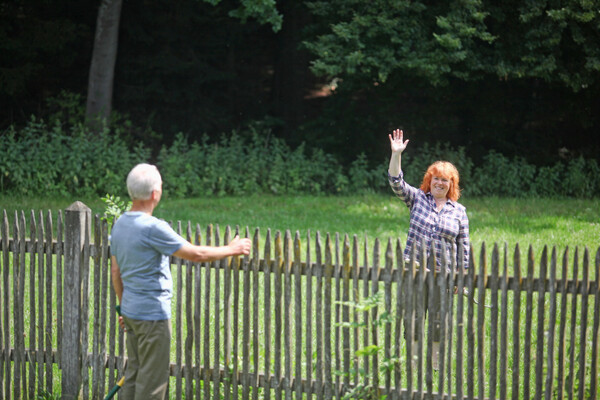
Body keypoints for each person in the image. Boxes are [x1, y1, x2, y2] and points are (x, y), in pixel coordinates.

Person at [110, 163, 252, 400]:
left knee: (133, 377)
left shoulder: (120, 224)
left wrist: (123, 307)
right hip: (152, 316)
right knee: (152, 384)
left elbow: (116, 271)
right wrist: (231, 248)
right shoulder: (153, 228)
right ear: (155, 194)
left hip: (131, 314)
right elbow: (196, 254)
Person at [387, 128, 470, 369]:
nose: (440, 183)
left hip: (443, 275)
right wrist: (396, 154)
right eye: (436, 178)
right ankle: (412, 366)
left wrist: (460, 277)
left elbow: (463, 247)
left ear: (451, 184)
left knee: (438, 322)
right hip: (413, 270)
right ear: (429, 180)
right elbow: (395, 181)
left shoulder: (459, 212)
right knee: (412, 319)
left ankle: (434, 366)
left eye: (445, 180)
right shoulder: (417, 199)